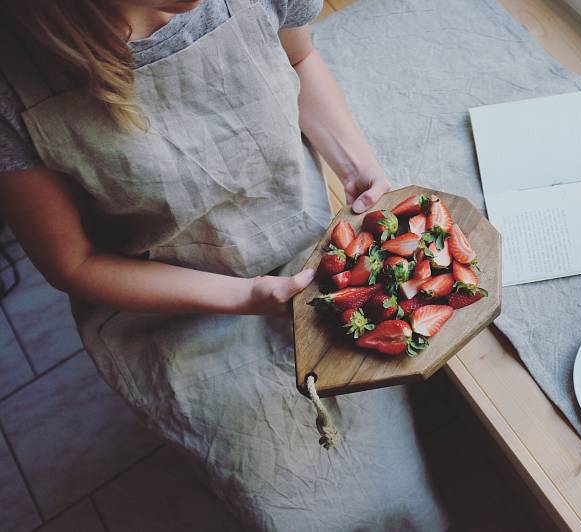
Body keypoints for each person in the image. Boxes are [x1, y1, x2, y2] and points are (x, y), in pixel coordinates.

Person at [0, 0, 449, 529]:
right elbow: (73, 262)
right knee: (295, 499)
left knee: (388, 466)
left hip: (304, 253)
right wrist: (244, 297)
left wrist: (357, 165)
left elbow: (299, 60)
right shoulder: (12, 76)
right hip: (166, 316)